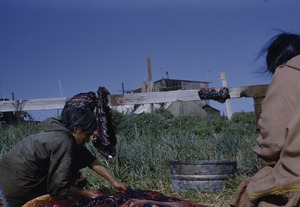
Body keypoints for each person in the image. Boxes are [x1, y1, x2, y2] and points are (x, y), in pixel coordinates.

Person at [0, 107, 128, 207]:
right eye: (88, 135)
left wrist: (114, 181)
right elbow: (58, 188)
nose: (88, 140)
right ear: (76, 129)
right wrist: (85, 193)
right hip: (13, 193)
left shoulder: (60, 134)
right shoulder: (63, 141)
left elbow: (90, 160)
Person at [230, 32, 300, 207]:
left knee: (253, 194)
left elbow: (273, 143)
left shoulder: (285, 74)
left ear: (276, 61)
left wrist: (262, 146)